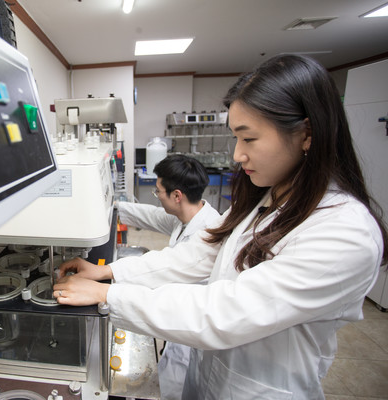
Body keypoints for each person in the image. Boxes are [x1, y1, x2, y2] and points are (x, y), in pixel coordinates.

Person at [54, 54, 388, 399]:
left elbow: (226, 311)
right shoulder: (269, 199)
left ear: (307, 134)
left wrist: (109, 295)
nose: (238, 155)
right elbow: (193, 257)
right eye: (236, 139)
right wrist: (107, 273)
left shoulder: (345, 231)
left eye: (249, 139)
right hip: (210, 375)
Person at [118, 154, 220, 399]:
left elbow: (164, 270)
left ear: (177, 196)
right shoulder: (191, 216)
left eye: (158, 192)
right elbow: (152, 216)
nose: (157, 196)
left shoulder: (208, 232)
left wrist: (112, 282)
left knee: (175, 390)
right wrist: (112, 209)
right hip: (179, 330)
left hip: (190, 338)